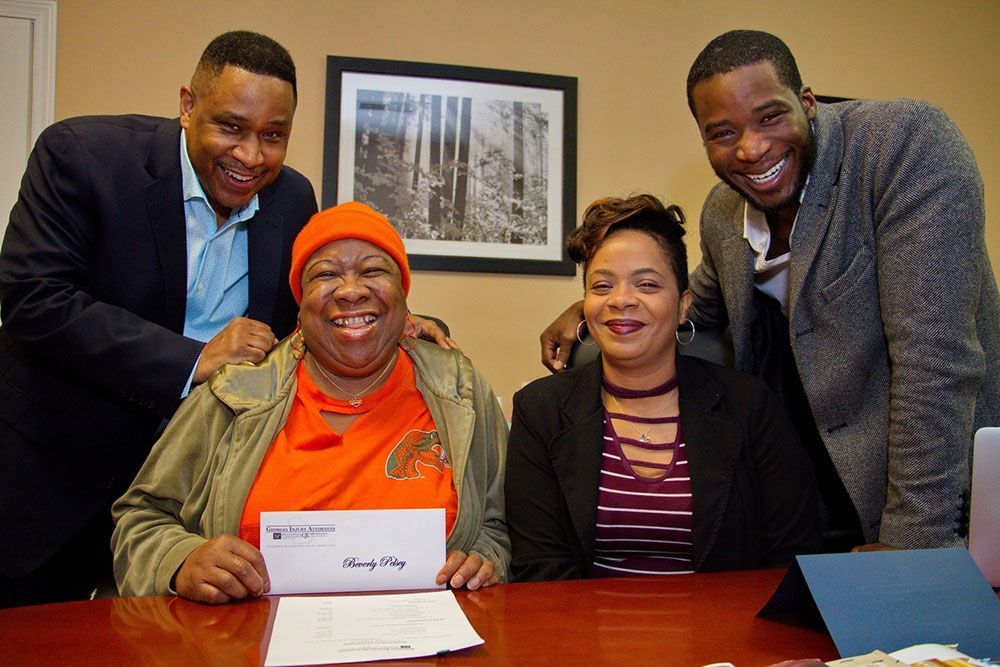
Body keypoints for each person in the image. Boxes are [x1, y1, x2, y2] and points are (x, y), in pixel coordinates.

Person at [539, 30, 999, 551]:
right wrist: (595, 304)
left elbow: (934, 362)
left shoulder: (904, 146)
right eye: (723, 132)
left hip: (928, 505)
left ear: (809, 103)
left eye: (771, 116)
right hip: (807, 498)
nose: (752, 149)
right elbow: (696, 304)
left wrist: (910, 547)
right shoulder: (724, 210)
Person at [0, 31, 318, 607]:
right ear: (186, 106)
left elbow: (303, 316)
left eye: (274, 136)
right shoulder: (81, 154)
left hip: (177, 510)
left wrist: (401, 321)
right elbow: (33, 298)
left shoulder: (293, 199)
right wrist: (194, 357)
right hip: (44, 481)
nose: (251, 156)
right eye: (231, 127)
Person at [112, 202, 509, 603]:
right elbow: (139, 518)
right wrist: (180, 560)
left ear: (402, 295)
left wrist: (486, 559)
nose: (351, 290)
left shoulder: (460, 388)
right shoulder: (235, 393)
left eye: (372, 271)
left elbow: (502, 523)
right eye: (326, 274)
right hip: (250, 646)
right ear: (300, 303)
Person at [508, 194, 818, 581]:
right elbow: (540, 567)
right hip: (586, 634)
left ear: (684, 305)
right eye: (602, 286)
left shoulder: (749, 406)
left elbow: (793, 557)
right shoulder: (541, 411)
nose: (621, 300)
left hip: (723, 632)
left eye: (648, 284)